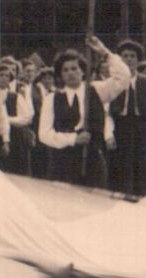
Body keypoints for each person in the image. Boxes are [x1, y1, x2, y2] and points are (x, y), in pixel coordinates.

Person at [37, 36, 131, 188]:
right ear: (60, 75)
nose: (70, 73)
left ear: (82, 71)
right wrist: (73, 139)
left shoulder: (97, 90)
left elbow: (124, 78)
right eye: (65, 70)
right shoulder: (52, 98)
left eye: (74, 68)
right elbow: (44, 134)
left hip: (92, 160)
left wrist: (105, 53)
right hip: (63, 163)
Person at [108, 40, 146, 197]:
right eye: (125, 56)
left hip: (142, 128)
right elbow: (108, 111)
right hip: (121, 128)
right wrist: (109, 134)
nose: (129, 59)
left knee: (142, 166)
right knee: (122, 167)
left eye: (133, 56)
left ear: (138, 60)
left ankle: (141, 199)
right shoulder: (113, 82)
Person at [0, 58, 33, 176]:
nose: (4, 78)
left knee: (14, 169)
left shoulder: (15, 96)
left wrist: (6, 120)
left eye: (7, 76)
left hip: (15, 137)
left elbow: (27, 118)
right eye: (1, 75)